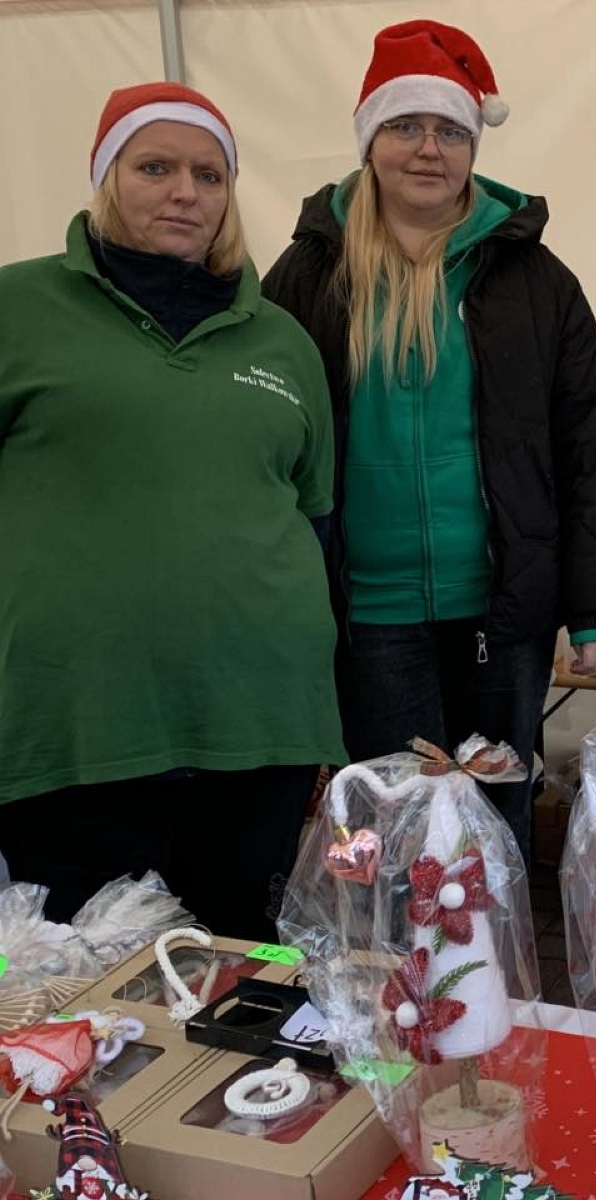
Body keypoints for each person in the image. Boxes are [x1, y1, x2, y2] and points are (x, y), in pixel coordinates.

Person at [263, 20, 596, 863]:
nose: (429, 149)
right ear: (370, 140)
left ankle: (492, 953)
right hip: (368, 612)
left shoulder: (535, 280)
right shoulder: (308, 275)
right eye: (406, 126)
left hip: (503, 608)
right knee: (395, 837)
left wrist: (593, 608)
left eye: (450, 131)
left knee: (493, 829)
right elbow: (271, 442)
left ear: (472, 148)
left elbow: (585, 444)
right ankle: (407, 956)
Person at [0, 84, 344, 936]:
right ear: (106, 177)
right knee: (81, 983)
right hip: (77, 724)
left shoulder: (282, 340)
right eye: (155, 168)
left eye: (209, 174)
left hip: (260, 724)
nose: (185, 192)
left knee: (245, 974)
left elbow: (313, 516)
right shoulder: (18, 309)